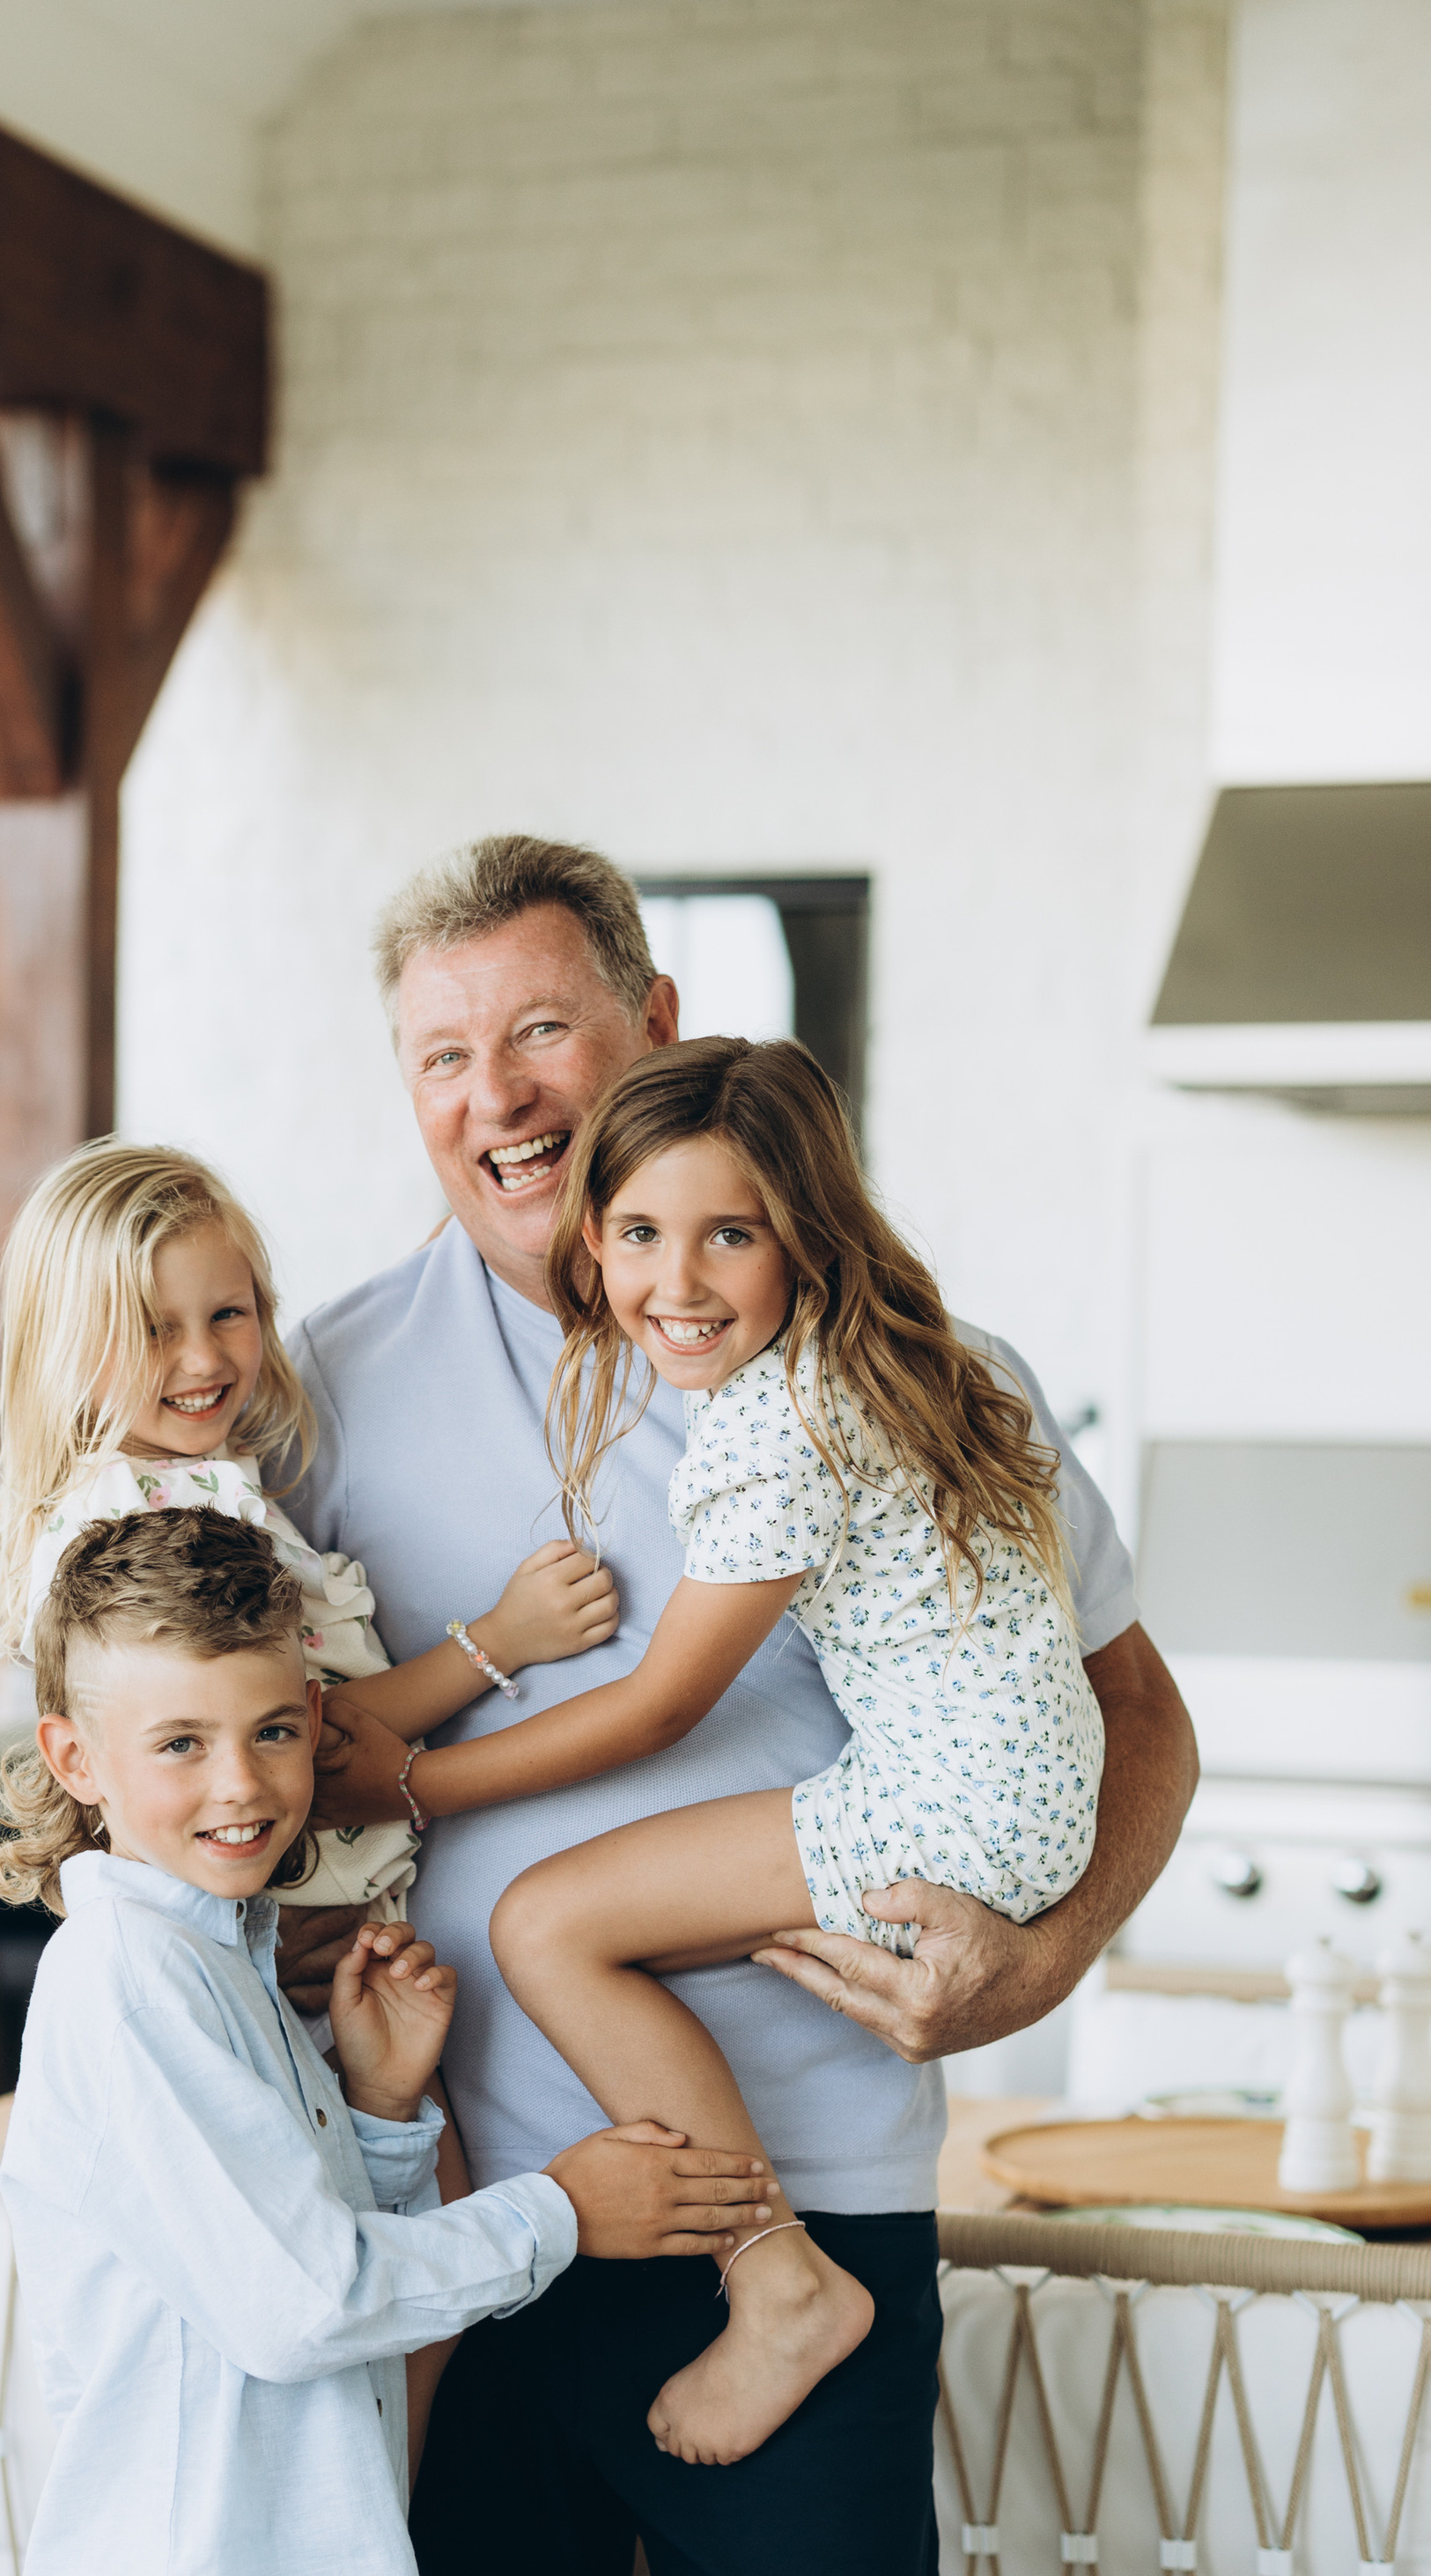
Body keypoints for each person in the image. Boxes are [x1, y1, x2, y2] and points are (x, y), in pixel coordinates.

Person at [276, 835, 1198, 2576]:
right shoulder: (321, 1390)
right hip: (461, 2231)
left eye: (540, 1032)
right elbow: (218, 1741)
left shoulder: (900, 1367)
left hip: (798, 2214)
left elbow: (1138, 1718)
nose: (497, 1096)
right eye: (441, 1055)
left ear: (654, 1024)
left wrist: (1045, 1955)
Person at [0, 1508, 771, 2576]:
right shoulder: (132, 1984)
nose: (242, 1785)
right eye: (181, 1744)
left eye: (276, 1731)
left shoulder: (210, 1963)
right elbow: (303, 2307)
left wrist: (389, 2112)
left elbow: (284, 2262)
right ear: (75, 1759)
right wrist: (563, 2212)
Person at [313, 1034, 1103, 2470]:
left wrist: (414, 1783)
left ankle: (778, 2280)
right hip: (1012, 1789)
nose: (676, 1283)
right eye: (638, 1234)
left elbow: (661, 1706)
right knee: (606, 1921)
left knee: (549, 1924)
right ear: (592, 1240)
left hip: (952, 1814)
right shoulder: (890, 1363)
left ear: (804, 1236)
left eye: (728, 1235)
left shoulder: (775, 1427)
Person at [0, 1134, 621, 1927]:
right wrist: (499, 1640)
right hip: (288, 1920)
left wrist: (473, 1230)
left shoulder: (202, 1475)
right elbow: (302, 1730)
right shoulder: (138, 1527)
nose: (203, 1359)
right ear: (64, 1347)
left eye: (228, 1314)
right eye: (153, 1330)